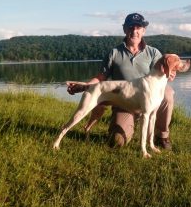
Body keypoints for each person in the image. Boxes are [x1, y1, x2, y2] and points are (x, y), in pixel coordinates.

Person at [66, 13, 176, 149]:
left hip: (147, 99)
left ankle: (162, 136)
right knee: (116, 142)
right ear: (125, 29)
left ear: (143, 30)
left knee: (167, 93)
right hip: (124, 102)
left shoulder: (153, 53)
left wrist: (170, 74)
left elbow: (163, 72)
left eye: (138, 27)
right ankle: (131, 125)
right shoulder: (114, 53)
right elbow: (101, 78)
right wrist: (84, 86)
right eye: (130, 27)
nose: (134, 31)